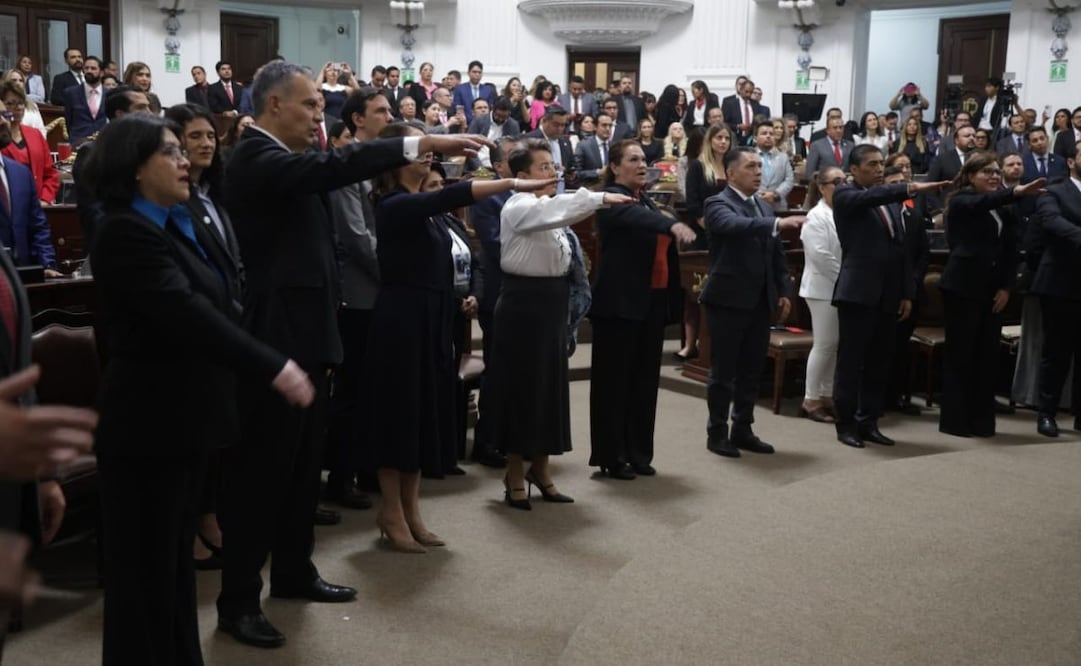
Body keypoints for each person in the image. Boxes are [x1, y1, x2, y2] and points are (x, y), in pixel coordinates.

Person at [215, 61, 490, 648]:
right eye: (310, 104)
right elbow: (337, 164)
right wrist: (419, 140)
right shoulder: (256, 157)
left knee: (298, 472)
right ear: (272, 106)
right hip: (273, 342)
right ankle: (237, 601)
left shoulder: (289, 162)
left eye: (321, 104)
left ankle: (292, 571)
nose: (321, 113)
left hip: (310, 336)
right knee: (261, 476)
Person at [81, 113, 314, 665]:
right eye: (170, 152)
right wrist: (271, 365)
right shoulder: (123, 230)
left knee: (171, 576)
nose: (186, 160)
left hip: (185, 419)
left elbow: (221, 300)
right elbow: (183, 312)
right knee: (143, 580)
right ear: (134, 170)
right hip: (147, 426)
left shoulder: (174, 223)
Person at [366, 124, 551, 539]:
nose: (428, 155)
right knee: (399, 417)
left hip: (432, 317)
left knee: (419, 417)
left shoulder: (421, 206)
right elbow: (454, 194)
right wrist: (513, 182)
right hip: (401, 321)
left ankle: (411, 512)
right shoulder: (393, 204)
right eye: (419, 149)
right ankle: (391, 512)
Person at [489, 139, 632, 508]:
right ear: (520, 177)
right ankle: (515, 474)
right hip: (524, 307)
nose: (552, 174)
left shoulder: (545, 207)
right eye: (542, 168)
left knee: (548, 391)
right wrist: (599, 198)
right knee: (524, 392)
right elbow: (558, 211)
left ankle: (541, 469)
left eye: (553, 167)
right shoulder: (519, 206)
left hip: (550, 306)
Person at [164, 102, 247, 568]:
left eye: (209, 136)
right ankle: (196, 523)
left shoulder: (214, 193)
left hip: (227, 324)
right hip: (201, 332)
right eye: (193, 137)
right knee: (200, 433)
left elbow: (231, 261)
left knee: (221, 431)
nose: (205, 143)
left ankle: (211, 515)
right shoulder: (175, 202)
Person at [589, 141, 696, 478]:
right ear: (615, 166)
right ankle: (612, 455)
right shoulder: (610, 199)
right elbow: (637, 219)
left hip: (649, 302)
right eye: (633, 160)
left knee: (644, 382)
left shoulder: (646, 199)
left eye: (644, 160)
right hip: (619, 305)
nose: (641, 165)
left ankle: (638, 452)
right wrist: (669, 224)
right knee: (614, 383)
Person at [831, 145, 949, 448]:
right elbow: (869, 196)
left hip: (888, 293)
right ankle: (845, 424)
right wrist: (908, 187)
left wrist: (906, 292)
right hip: (857, 292)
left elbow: (901, 252)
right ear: (854, 169)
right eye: (872, 164)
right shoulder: (846, 195)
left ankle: (868, 422)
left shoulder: (892, 202)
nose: (879, 169)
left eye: (881, 163)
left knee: (879, 362)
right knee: (851, 362)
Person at [701, 147, 804, 458]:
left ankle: (743, 428)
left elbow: (776, 256)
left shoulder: (763, 205)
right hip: (728, 300)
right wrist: (777, 224)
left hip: (761, 300)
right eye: (751, 166)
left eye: (760, 166)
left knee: (751, 369)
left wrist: (784, 290)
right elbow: (732, 226)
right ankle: (717, 432)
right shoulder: (717, 203)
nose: (759, 171)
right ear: (731, 173)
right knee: (723, 372)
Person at [938, 151, 1041, 437]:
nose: (995, 176)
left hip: (993, 290)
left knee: (986, 357)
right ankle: (955, 422)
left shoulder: (1005, 207)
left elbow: (1011, 251)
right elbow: (983, 202)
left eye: (997, 172)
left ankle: (982, 421)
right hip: (963, 287)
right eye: (988, 172)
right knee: (961, 355)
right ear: (971, 176)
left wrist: (1007, 286)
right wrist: (1015, 191)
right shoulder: (961, 201)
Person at [1030, 141, 1081, 437]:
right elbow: (1052, 223)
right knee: (1056, 353)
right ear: (1072, 161)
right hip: (1061, 282)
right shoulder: (1055, 190)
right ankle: (1046, 413)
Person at [677, 124, 731, 361]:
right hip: (702, 235)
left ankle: (714, 344)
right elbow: (694, 202)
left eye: (726, 138)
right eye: (718, 137)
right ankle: (690, 344)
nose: (723, 142)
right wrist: (709, 225)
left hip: (728, 235)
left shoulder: (732, 165)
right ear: (710, 141)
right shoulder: (698, 166)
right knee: (695, 293)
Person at [799, 167, 845, 423]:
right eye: (836, 181)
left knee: (834, 344)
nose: (842, 185)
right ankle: (810, 398)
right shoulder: (816, 216)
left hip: (839, 285)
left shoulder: (841, 212)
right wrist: (846, 278)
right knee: (825, 344)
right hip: (821, 287)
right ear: (823, 186)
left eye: (844, 180)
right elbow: (821, 256)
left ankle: (826, 394)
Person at [0, 82, 58, 206]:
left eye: (21, 103)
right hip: (9, 206)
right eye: (11, 103)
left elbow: (50, 173)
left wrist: (44, 199)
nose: (18, 108)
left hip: (39, 206)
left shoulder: (35, 134)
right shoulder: (2, 137)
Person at [62, 56, 106, 146]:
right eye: (86, 68)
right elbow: (68, 120)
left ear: (101, 73)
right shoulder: (71, 93)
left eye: (93, 68)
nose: (89, 71)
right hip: (78, 142)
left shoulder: (110, 94)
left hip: (103, 143)